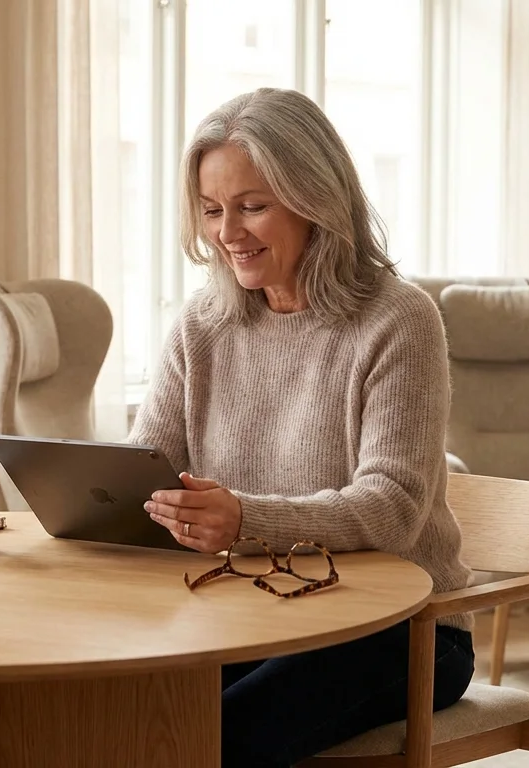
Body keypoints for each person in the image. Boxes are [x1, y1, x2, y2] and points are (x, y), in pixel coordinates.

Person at [127, 87, 475, 766]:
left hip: (400, 629)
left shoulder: (398, 319)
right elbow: (143, 468)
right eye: (211, 210)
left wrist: (246, 520)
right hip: (247, 613)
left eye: (252, 206)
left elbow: (394, 509)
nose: (227, 234)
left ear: (317, 198)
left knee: (214, 737)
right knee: (118, 707)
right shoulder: (201, 324)